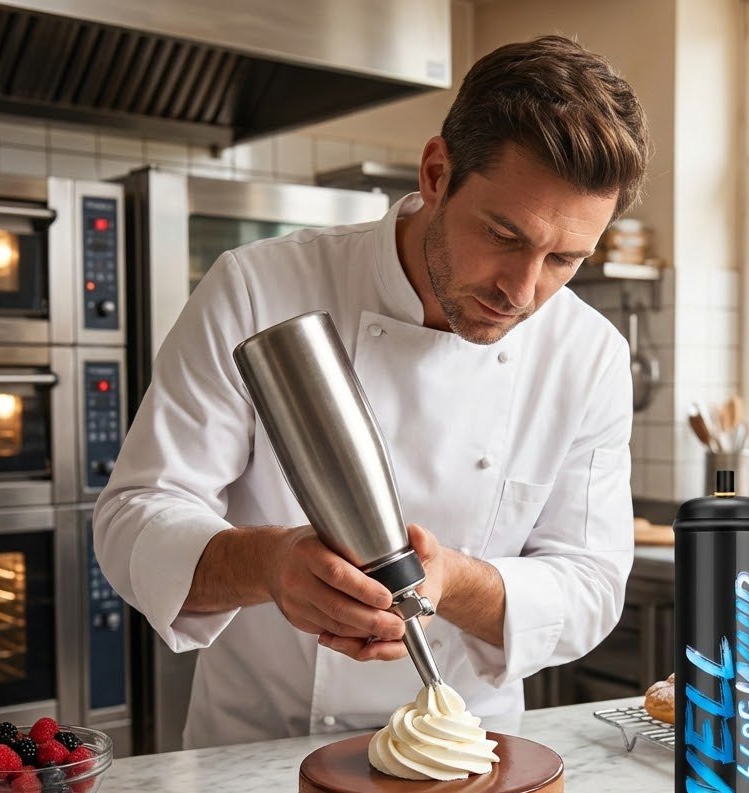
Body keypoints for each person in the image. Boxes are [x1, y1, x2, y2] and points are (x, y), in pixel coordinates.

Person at [94, 34, 651, 748]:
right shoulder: (259, 287)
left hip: (468, 762)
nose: (522, 290)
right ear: (436, 172)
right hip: (259, 762)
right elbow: (133, 517)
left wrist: (451, 581)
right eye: (504, 236)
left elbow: (591, 586)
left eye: (564, 259)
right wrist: (269, 565)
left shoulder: (589, 354)